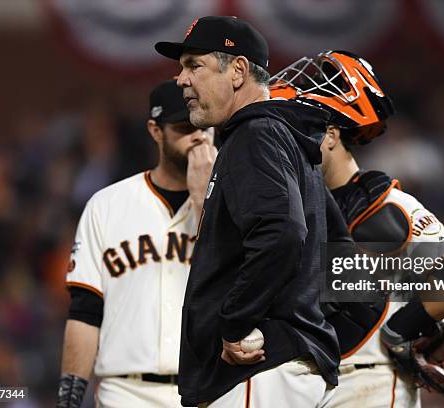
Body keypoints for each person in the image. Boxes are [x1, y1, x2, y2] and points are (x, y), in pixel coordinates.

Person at [271, 50, 444, 407]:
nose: (286, 146)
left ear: (331, 135)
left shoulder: (384, 204)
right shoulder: (293, 208)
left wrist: (401, 328)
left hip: (371, 380)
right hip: (306, 382)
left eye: (296, 133)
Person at [154, 16, 342, 408]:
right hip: (281, 369)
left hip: (257, 370)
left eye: (194, 65)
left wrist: (237, 321)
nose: (181, 79)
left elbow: (282, 232)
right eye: (180, 68)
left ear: (237, 71)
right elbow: (339, 250)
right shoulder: (287, 140)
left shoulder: (254, 134)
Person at [56, 80, 217, 408]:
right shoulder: (108, 206)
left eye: (204, 126)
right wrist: (68, 401)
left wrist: (208, 200)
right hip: (126, 393)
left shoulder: (239, 206)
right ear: (155, 130)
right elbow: (85, 314)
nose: (199, 137)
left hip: (209, 392)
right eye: (185, 127)